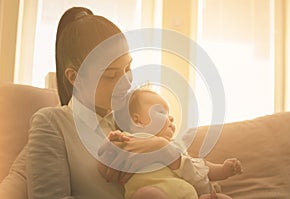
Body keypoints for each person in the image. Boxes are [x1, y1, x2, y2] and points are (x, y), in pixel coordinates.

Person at [26, 7, 181, 199]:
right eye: (111, 75)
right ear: (74, 77)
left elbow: (192, 170)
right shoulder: (52, 123)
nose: (127, 81)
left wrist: (163, 148)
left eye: (128, 67)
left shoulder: (135, 116)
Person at [101, 88, 242, 199]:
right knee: (148, 195)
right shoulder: (130, 139)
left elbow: (201, 166)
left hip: (190, 195)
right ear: (137, 121)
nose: (171, 117)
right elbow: (106, 166)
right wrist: (114, 141)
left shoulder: (176, 146)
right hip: (156, 193)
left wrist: (223, 170)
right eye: (161, 111)